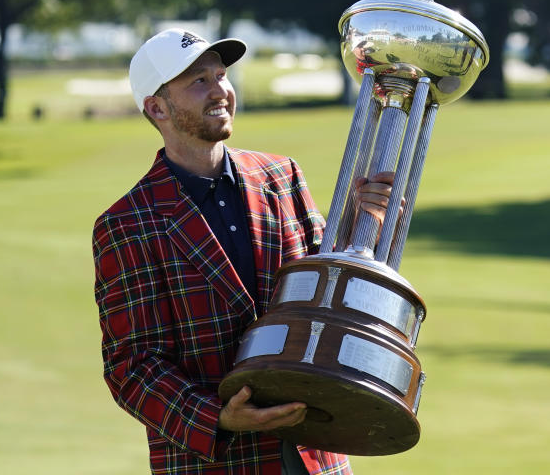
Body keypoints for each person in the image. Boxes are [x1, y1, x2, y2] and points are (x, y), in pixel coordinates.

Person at [92, 28, 393, 475]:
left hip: (315, 453)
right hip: (218, 460)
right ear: (157, 107)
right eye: (198, 81)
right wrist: (218, 418)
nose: (220, 91)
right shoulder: (126, 224)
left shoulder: (280, 175)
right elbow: (132, 368)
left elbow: (324, 289)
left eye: (221, 75)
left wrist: (358, 223)